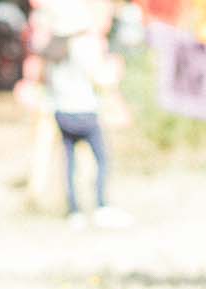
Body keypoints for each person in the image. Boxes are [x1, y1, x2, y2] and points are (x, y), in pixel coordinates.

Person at [44, 1, 130, 227]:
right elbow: (100, 78)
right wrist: (114, 72)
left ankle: (75, 211)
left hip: (61, 111)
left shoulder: (52, 50)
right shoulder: (80, 48)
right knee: (102, 160)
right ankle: (101, 205)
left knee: (70, 163)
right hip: (85, 111)